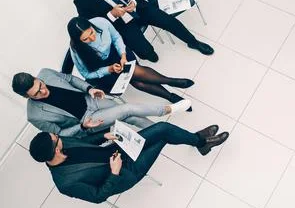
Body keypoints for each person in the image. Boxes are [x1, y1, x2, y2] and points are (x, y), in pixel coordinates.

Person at [28, 122, 229, 203]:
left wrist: (103, 136)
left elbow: (84, 142)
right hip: (125, 172)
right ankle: (200, 142)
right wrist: (115, 172)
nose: (57, 134)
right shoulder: (65, 183)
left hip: (117, 151)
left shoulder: (64, 143)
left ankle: (199, 141)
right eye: (55, 137)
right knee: (162, 138)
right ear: (56, 149)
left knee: (162, 128)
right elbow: (98, 197)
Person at [73, 0, 213, 62]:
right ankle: (150, 53)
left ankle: (193, 42)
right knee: (145, 52)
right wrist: (111, 14)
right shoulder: (81, 0)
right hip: (121, 24)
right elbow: (92, 25)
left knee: (169, 21)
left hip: (138, 7)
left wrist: (134, 0)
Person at [11, 68, 191, 137]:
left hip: (90, 99)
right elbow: (60, 134)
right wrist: (83, 127)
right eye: (37, 94)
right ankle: (167, 109)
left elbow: (70, 79)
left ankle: (163, 134)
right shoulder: (34, 115)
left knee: (131, 117)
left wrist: (89, 89)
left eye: (40, 86)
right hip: (88, 120)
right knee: (127, 109)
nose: (43, 91)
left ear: (37, 78)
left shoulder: (46, 73)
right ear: (28, 98)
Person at [67, 16, 193, 107]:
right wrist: (108, 70)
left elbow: (116, 37)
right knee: (138, 83)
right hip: (102, 70)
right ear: (78, 40)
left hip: (117, 54)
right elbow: (86, 75)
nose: (92, 38)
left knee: (137, 77)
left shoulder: (101, 22)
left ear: (91, 25)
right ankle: (171, 89)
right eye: (86, 39)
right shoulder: (76, 50)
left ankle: (172, 87)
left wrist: (122, 55)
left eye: (92, 33)